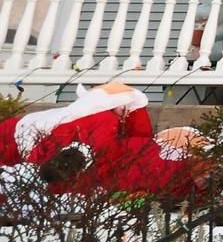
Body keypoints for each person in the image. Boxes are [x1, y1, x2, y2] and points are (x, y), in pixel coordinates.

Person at [0, 81, 204, 201]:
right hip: (77, 158)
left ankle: (76, 157)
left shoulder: (110, 123)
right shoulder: (100, 119)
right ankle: (76, 156)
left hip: (101, 163)